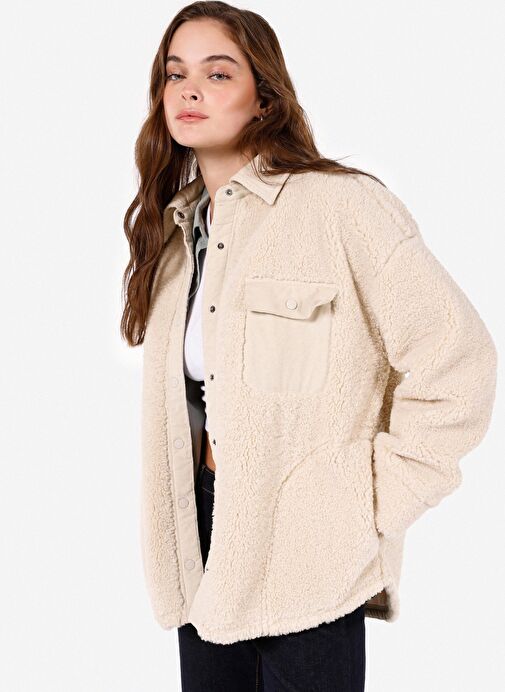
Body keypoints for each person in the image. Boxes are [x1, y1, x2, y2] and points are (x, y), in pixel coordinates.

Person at [120, 2, 498, 690]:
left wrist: (368, 504)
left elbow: (457, 362)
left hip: (310, 552)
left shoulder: (340, 207)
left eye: (217, 73)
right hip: (199, 541)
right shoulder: (177, 235)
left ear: (264, 98)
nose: (190, 90)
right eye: (175, 74)